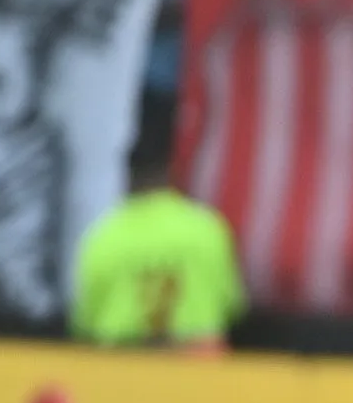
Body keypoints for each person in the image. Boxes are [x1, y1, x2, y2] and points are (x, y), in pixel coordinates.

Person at [71, 109, 246, 348]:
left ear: (127, 177)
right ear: (170, 172)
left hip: (121, 374)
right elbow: (230, 307)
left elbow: (85, 324)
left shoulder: (103, 238)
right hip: (199, 374)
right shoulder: (205, 229)